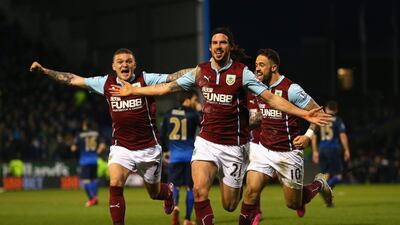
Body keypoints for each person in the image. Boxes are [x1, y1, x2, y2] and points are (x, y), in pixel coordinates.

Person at [108, 28, 332, 225]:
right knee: (200, 191)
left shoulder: (242, 73)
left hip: (235, 147)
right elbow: (166, 88)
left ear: (229, 47)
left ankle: (316, 185)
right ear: (210, 47)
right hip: (207, 142)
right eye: (214, 42)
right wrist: (134, 90)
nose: (218, 46)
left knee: (231, 205)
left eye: (222, 42)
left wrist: (305, 116)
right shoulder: (201, 71)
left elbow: (272, 99)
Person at [30, 48, 192, 225]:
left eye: (128, 61)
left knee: (154, 193)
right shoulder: (105, 83)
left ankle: (167, 193)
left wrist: (200, 71)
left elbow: (173, 77)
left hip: (149, 148)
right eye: (120, 62)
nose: (125, 64)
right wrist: (45, 71)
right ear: (114, 66)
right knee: (115, 183)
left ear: (134, 64)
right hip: (121, 147)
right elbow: (74, 79)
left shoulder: (145, 79)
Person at [239, 48, 333, 225]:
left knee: (293, 203)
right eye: (256, 65)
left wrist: (308, 136)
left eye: (261, 65)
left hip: (288, 153)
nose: (257, 69)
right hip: (263, 150)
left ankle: (319, 184)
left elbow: (318, 113)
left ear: (273, 68)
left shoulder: (291, 89)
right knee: (251, 192)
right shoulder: (259, 88)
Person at [161, 91, 201, 225]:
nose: (195, 102)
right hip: (190, 156)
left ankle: (176, 207)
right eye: (194, 99)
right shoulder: (192, 114)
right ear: (188, 100)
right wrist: (200, 111)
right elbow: (206, 125)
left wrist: (165, 150)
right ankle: (187, 219)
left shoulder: (168, 113)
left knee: (174, 186)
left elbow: (162, 134)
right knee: (190, 188)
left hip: (174, 157)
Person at [312, 100, 351, 207]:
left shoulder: (321, 119)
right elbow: (343, 135)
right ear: (336, 109)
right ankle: (324, 188)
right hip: (334, 149)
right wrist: (347, 150)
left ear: (325, 108)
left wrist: (315, 151)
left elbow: (314, 137)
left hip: (322, 149)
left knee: (326, 174)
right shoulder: (338, 120)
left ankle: (328, 200)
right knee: (338, 175)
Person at [70, 119, 106, 207]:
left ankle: (91, 199)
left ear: (85, 126)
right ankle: (95, 197)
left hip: (85, 160)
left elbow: (73, 148)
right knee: (94, 179)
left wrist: (76, 148)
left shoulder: (80, 135)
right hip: (94, 160)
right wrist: (97, 151)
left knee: (86, 180)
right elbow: (102, 145)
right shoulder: (96, 134)